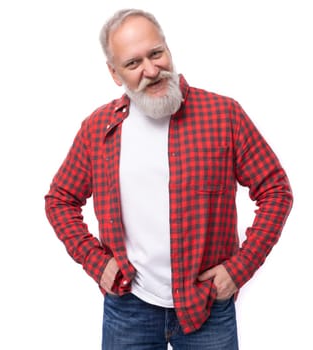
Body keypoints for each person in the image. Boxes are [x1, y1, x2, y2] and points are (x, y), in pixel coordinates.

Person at [45, 8, 293, 349]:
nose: (151, 70)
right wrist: (95, 261)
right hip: (129, 306)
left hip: (206, 306)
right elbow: (60, 199)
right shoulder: (98, 129)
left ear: (168, 50)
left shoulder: (224, 115)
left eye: (156, 53)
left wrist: (239, 270)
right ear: (115, 73)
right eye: (133, 64)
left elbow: (275, 190)